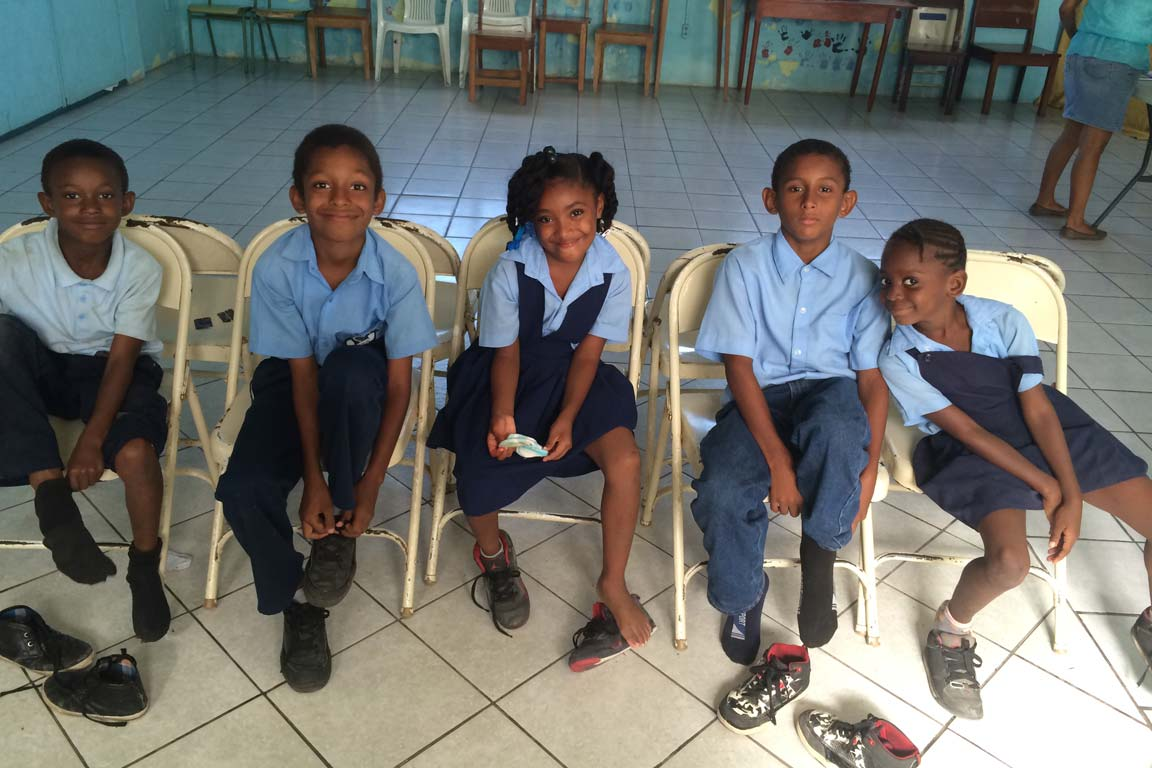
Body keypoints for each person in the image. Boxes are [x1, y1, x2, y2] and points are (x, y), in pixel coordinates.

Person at [878, 218, 1152, 720]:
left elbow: (1040, 409)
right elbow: (970, 433)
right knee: (1009, 564)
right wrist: (1048, 486)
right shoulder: (901, 355)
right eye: (887, 281)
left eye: (911, 281)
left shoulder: (1003, 320)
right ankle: (950, 631)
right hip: (972, 450)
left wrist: (1068, 491)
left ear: (955, 284)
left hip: (1048, 426)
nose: (894, 293)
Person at [214, 124, 437, 693]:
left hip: (359, 394)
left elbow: (399, 386)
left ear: (378, 201)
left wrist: (365, 486)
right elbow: (298, 378)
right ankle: (296, 603)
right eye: (322, 185)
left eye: (357, 186)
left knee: (356, 369)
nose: (340, 200)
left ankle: (337, 531)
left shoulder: (396, 274)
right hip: (290, 383)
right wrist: (311, 478)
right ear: (297, 197)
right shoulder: (277, 268)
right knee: (243, 489)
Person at [429, 146, 653, 670]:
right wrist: (504, 416)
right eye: (545, 219)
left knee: (624, 461)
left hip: (578, 376)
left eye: (576, 213)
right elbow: (504, 354)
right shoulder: (511, 269)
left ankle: (613, 582)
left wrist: (570, 417)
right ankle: (492, 552)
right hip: (508, 376)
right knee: (481, 470)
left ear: (599, 206)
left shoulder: (614, 273)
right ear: (530, 220)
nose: (563, 231)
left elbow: (591, 354)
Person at [695, 137, 889, 733]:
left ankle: (819, 558)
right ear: (771, 199)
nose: (810, 202)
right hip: (758, 399)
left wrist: (869, 464)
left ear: (847, 202)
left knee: (837, 426)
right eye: (795, 190)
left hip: (829, 393)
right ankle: (742, 598)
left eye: (825, 190)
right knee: (725, 490)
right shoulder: (746, 267)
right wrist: (778, 464)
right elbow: (739, 369)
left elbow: (870, 381)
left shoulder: (863, 277)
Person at [0, 139, 171, 643]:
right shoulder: (14, 259)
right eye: (72, 196)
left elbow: (122, 360)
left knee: (137, 452)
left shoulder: (139, 268)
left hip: (115, 369)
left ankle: (144, 564)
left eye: (104, 196)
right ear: (47, 204)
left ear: (127, 203)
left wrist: (93, 441)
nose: (90, 209)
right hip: (42, 368)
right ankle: (51, 495)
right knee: (1, 337)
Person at [1032, 0, 1152, 240]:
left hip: (1081, 52)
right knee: (1093, 145)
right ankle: (1075, 222)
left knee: (1072, 132)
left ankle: (1045, 200)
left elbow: (1065, 9)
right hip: (1119, 58)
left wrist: (1078, 37)